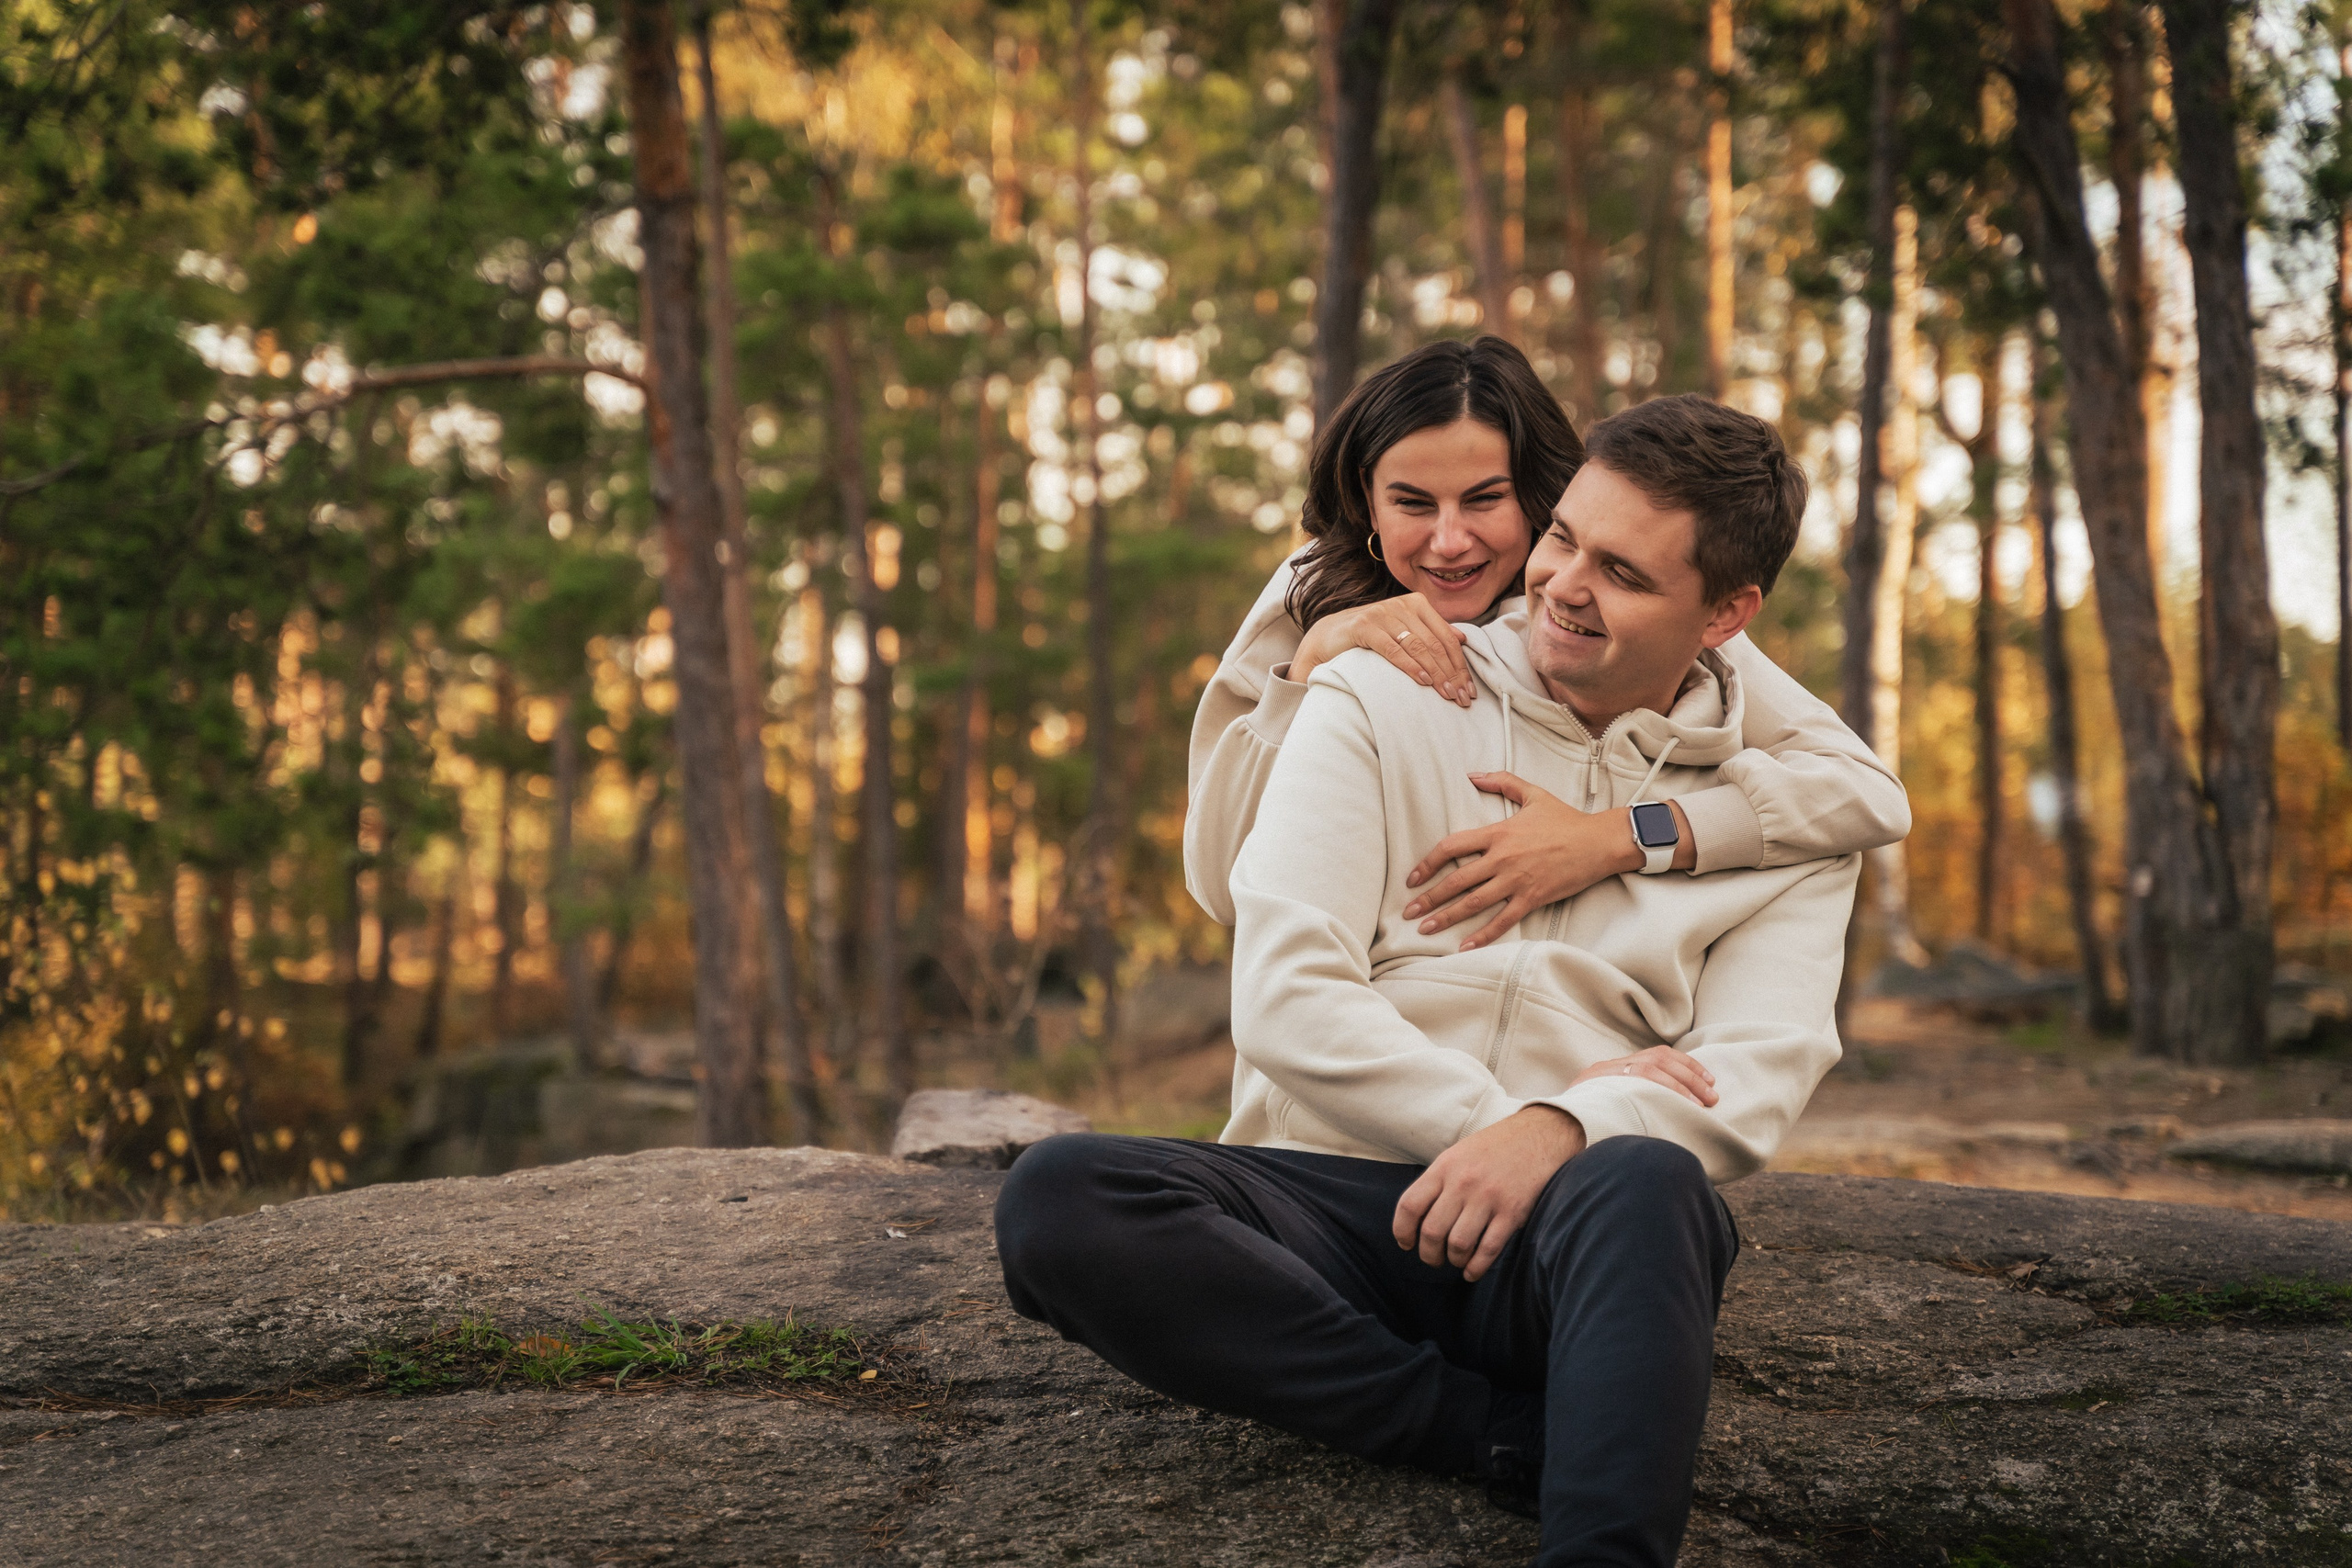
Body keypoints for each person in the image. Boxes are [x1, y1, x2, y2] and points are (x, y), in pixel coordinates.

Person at [996, 391, 1865, 1568]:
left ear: (1726, 616)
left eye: (1622, 573)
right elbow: (1287, 988)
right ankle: (1500, 1434)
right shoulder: (1383, 688)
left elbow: (1755, 1069)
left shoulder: (1773, 815)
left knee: (1653, 1184)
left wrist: (1572, 1132)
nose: (1560, 583)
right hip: (1335, 1210)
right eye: (1561, 537)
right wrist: (1506, 1126)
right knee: (1061, 1196)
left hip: (1565, 1237)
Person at [1183, 335, 1905, 944]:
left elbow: (1865, 794)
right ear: (1365, 500)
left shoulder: (1593, 610)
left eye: (1484, 498)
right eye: (1411, 502)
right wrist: (1309, 667)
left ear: (1536, 495)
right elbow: (1221, 888)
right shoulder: (1310, 595)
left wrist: (1619, 836)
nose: (1448, 540)